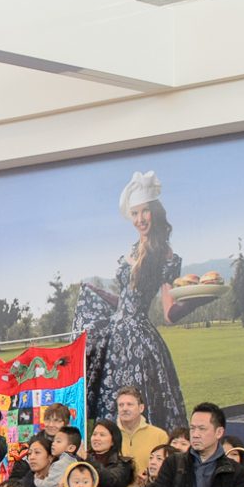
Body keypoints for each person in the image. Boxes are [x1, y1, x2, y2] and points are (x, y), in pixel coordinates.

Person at [78, 173, 188, 434]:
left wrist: (200, 298)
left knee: (139, 401)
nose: (140, 219)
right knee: (112, 403)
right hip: (116, 339)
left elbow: (169, 312)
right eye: (135, 214)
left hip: (139, 342)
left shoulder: (164, 253)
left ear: (155, 213)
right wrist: (98, 293)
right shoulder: (133, 248)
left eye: (145, 212)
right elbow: (125, 302)